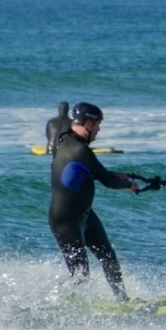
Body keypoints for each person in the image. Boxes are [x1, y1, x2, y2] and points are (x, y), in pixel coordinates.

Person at [48, 102, 138, 301]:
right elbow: (107, 180)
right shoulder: (79, 150)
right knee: (81, 273)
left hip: (85, 216)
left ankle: (123, 301)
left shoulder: (67, 140)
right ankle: (70, 307)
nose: (98, 130)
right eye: (97, 125)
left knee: (109, 258)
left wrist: (120, 176)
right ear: (88, 123)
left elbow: (95, 172)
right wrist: (129, 185)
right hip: (65, 220)